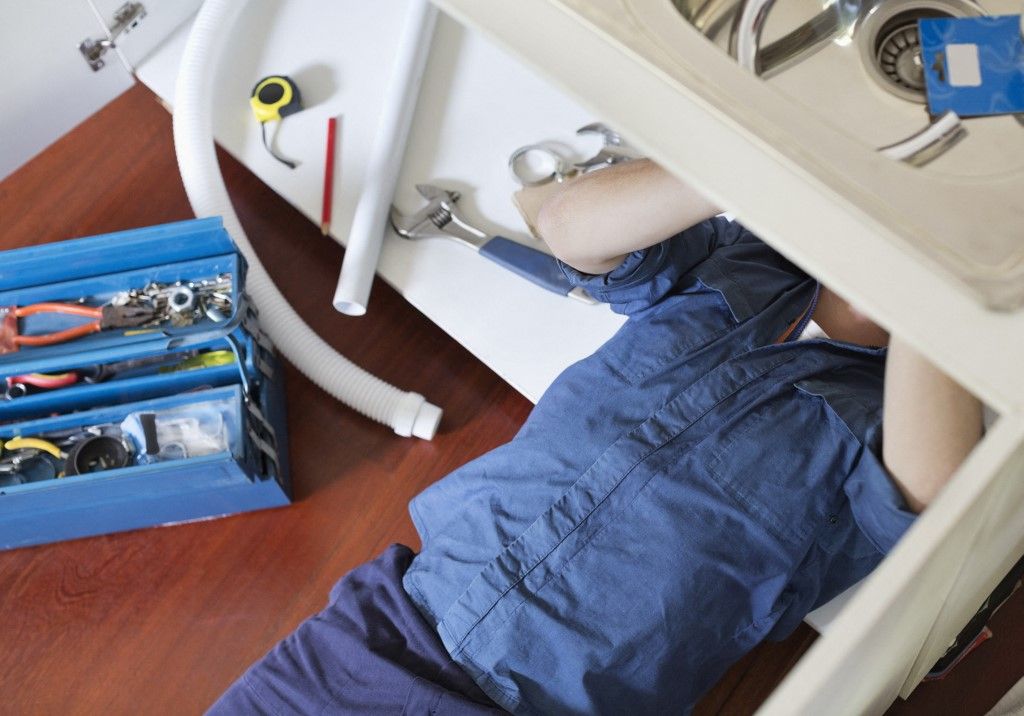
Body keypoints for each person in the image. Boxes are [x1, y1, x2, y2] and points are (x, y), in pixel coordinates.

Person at [209, 159, 983, 714]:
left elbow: (935, 497)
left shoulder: (891, 405)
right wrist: (756, 158)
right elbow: (565, 221)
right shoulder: (742, 261)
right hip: (364, 648)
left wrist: (928, 270)